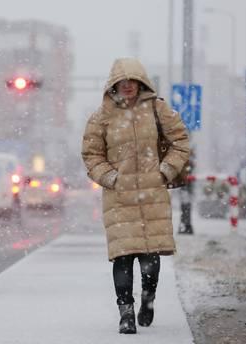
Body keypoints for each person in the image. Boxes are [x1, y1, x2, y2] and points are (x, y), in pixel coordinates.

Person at [81, 58, 189, 334]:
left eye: (132, 81)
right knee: (123, 257)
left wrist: (165, 171)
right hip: (119, 198)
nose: (127, 86)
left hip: (153, 195)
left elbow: (180, 142)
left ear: (141, 82)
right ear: (114, 85)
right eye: (122, 82)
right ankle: (125, 312)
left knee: (150, 259)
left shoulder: (157, 109)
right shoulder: (101, 117)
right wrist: (110, 177)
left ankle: (148, 300)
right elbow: (92, 155)